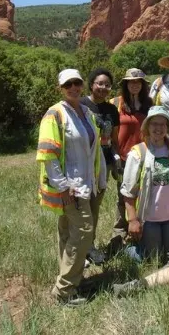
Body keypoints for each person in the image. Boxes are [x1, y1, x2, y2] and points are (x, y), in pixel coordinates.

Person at [36, 69, 106, 306]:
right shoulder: (54, 114)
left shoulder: (86, 112)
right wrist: (63, 187)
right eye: (68, 85)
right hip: (70, 187)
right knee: (84, 231)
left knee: (68, 233)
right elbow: (48, 154)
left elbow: (93, 150)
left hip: (86, 184)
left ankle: (72, 280)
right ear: (60, 88)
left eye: (77, 83)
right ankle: (64, 291)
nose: (74, 87)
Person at [120, 106, 169, 262]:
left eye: (162, 124)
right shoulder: (138, 152)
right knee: (153, 258)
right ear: (147, 127)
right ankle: (129, 250)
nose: (158, 128)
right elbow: (128, 191)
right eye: (154, 124)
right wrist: (133, 221)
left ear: (167, 127)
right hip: (149, 218)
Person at [108, 68, 153, 252]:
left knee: (144, 195)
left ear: (143, 85)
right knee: (123, 197)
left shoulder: (149, 105)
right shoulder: (116, 103)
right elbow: (109, 132)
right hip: (123, 159)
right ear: (126, 84)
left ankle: (141, 232)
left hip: (144, 159)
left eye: (138, 82)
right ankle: (119, 235)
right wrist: (114, 154)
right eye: (131, 81)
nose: (134, 84)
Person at [79, 68, 120, 265]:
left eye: (107, 84)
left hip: (103, 164)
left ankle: (90, 247)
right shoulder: (81, 105)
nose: (103, 88)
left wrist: (116, 159)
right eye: (99, 83)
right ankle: (78, 250)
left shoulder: (111, 110)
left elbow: (114, 139)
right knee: (81, 208)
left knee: (94, 208)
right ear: (91, 84)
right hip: (83, 164)